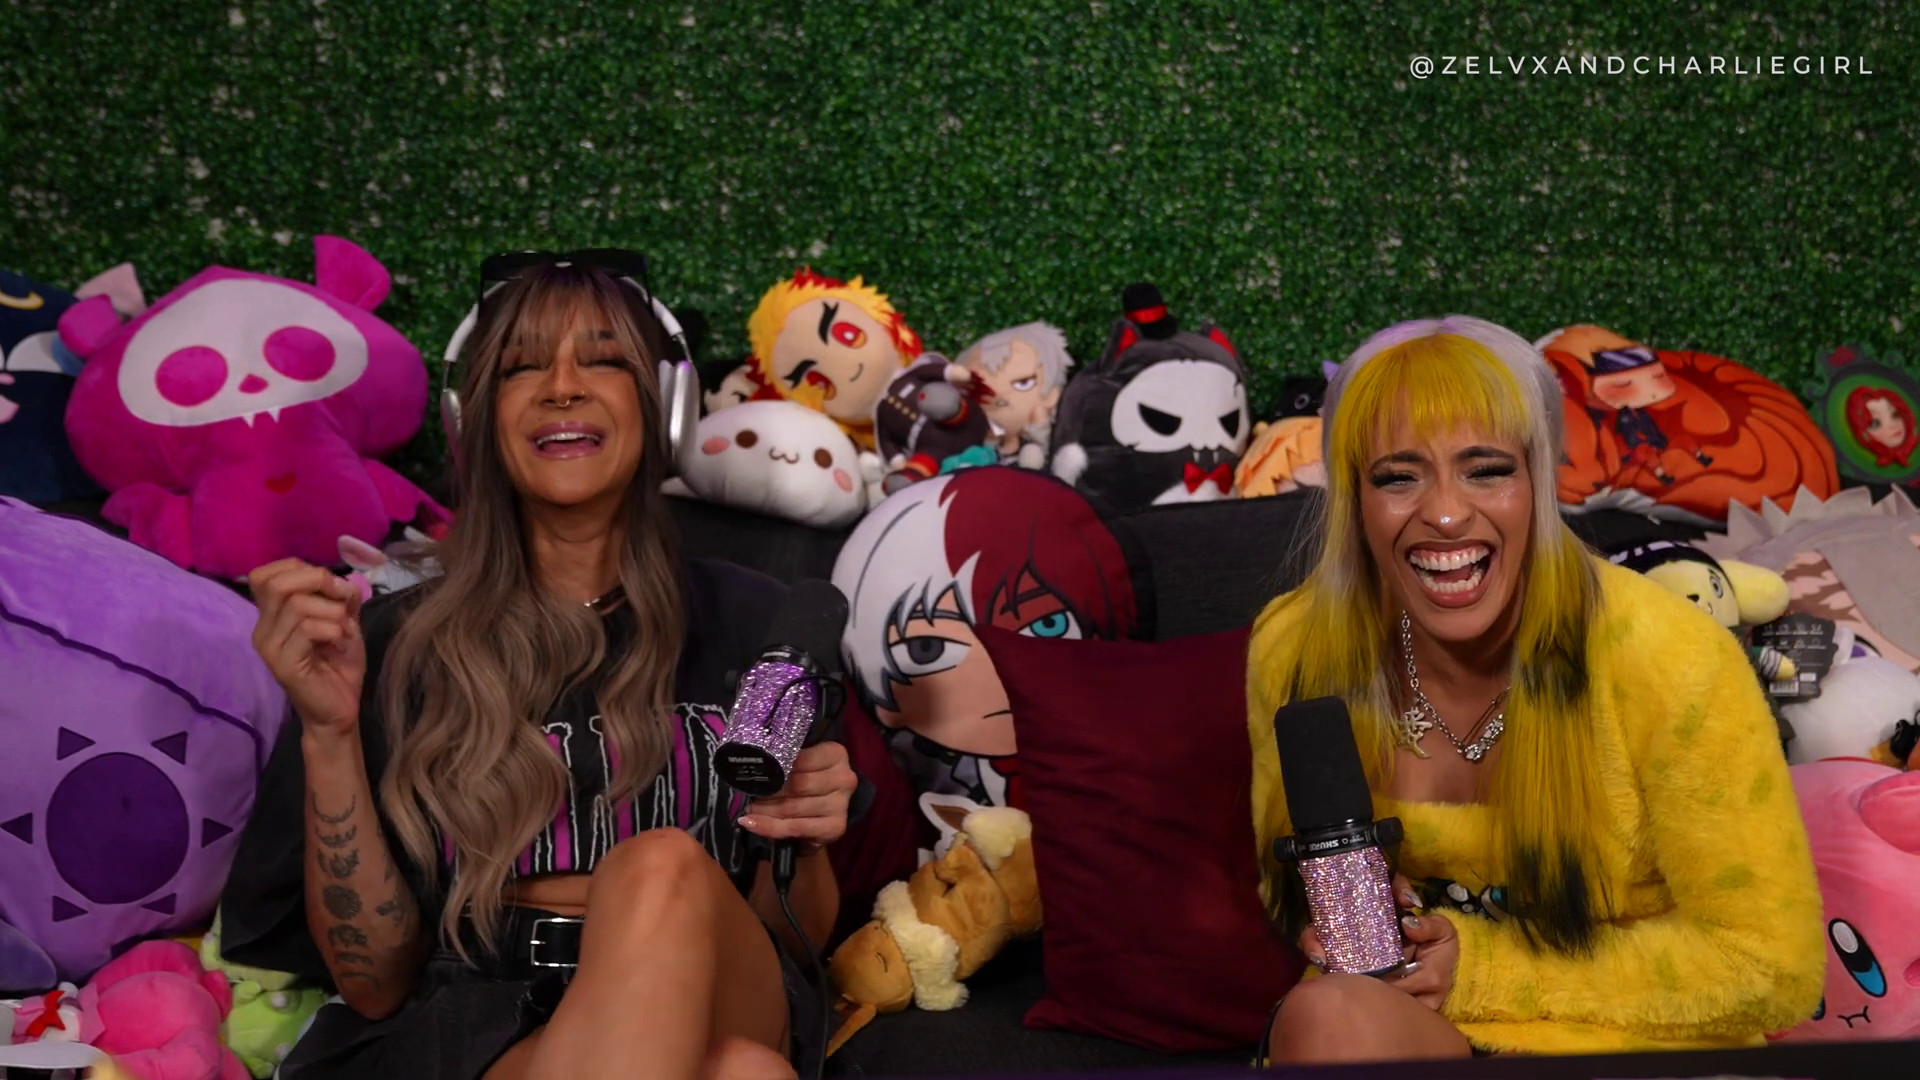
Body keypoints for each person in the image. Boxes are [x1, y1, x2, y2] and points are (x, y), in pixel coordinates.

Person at [220, 258, 858, 1080]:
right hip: (483, 1014)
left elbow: (791, 945)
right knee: (746, 1076)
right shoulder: (388, 642)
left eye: (604, 359)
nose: (562, 387)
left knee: (661, 867)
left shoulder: (761, 621)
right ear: (474, 417)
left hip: (719, 979)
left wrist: (804, 834)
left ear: (665, 405)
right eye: (522, 367)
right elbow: (373, 986)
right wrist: (329, 732)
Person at [1247, 316, 1825, 1063]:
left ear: (1540, 479)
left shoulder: (1669, 657)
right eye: (1398, 477)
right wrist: (1342, 918)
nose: (1445, 513)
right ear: (1354, 500)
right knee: (1331, 1018)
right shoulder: (1296, 646)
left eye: (1486, 470)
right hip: (1392, 1038)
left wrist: (1481, 969)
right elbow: (1284, 885)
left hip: (1625, 1049)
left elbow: (1769, 969)